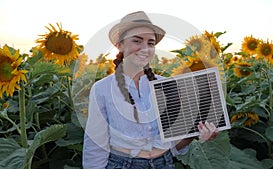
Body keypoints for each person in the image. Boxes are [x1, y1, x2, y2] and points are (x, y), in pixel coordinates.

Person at [82, 11, 219, 169]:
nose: (145, 49)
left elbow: (172, 146)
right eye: (137, 41)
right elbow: (96, 145)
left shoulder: (167, 86)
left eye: (151, 43)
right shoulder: (102, 89)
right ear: (119, 45)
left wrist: (197, 134)